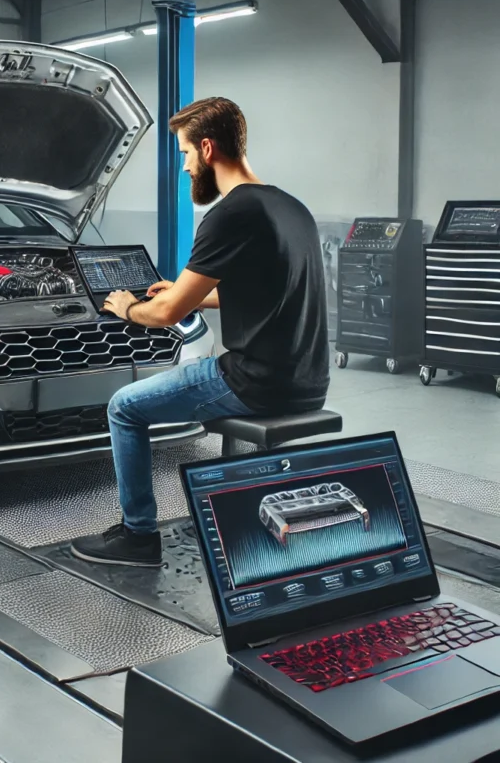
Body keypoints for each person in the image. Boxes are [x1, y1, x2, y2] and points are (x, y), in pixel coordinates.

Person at [71, 97, 330, 568]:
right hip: (308, 384)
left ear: (207, 149)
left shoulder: (231, 213)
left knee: (124, 408)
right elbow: (267, 292)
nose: (186, 167)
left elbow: (167, 314)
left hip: (254, 382)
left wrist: (130, 307)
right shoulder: (290, 207)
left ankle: (137, 535)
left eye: (186, 153)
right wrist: (188, 293)